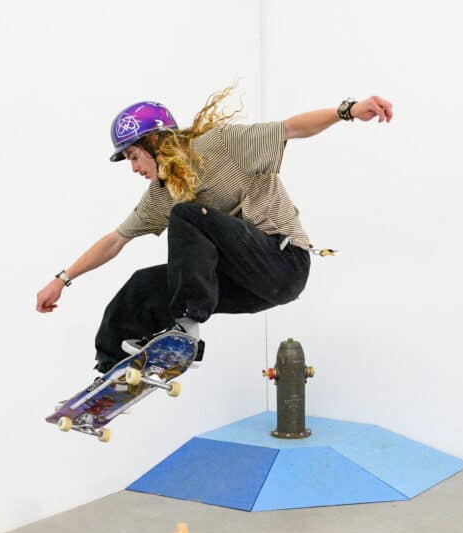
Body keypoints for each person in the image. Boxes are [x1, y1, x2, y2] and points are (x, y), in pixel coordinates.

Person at [36, 86, 392, 374]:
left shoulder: (219, 145)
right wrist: (62, 279)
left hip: (283, 263)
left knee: (187, 215)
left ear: (156, 143)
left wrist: (347, 110)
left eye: (133, 156)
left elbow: (291, 128)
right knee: (142, 285)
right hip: (246, 287)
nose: (133, 169)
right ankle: (112, 368)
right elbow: (115, 240)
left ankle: (187, 327)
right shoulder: (160, 195)